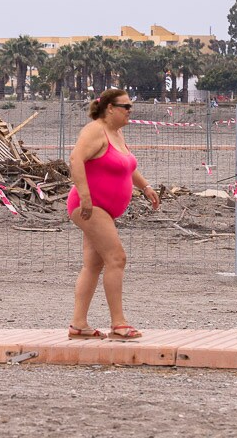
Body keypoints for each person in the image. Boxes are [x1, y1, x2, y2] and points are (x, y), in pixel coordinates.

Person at [65, 88, 160, 341]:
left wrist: (146, 187)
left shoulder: (117, 134)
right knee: (117, 258)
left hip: (103, 208)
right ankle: (119, 324)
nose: (131, 111)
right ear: (110, 108)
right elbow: (76, 160)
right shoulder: (95, 130)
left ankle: (78, 325)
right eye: (126, 107)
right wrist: (85, 196)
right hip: (90, 206)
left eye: (131, 106)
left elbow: (127, 166)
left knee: (93, 265)